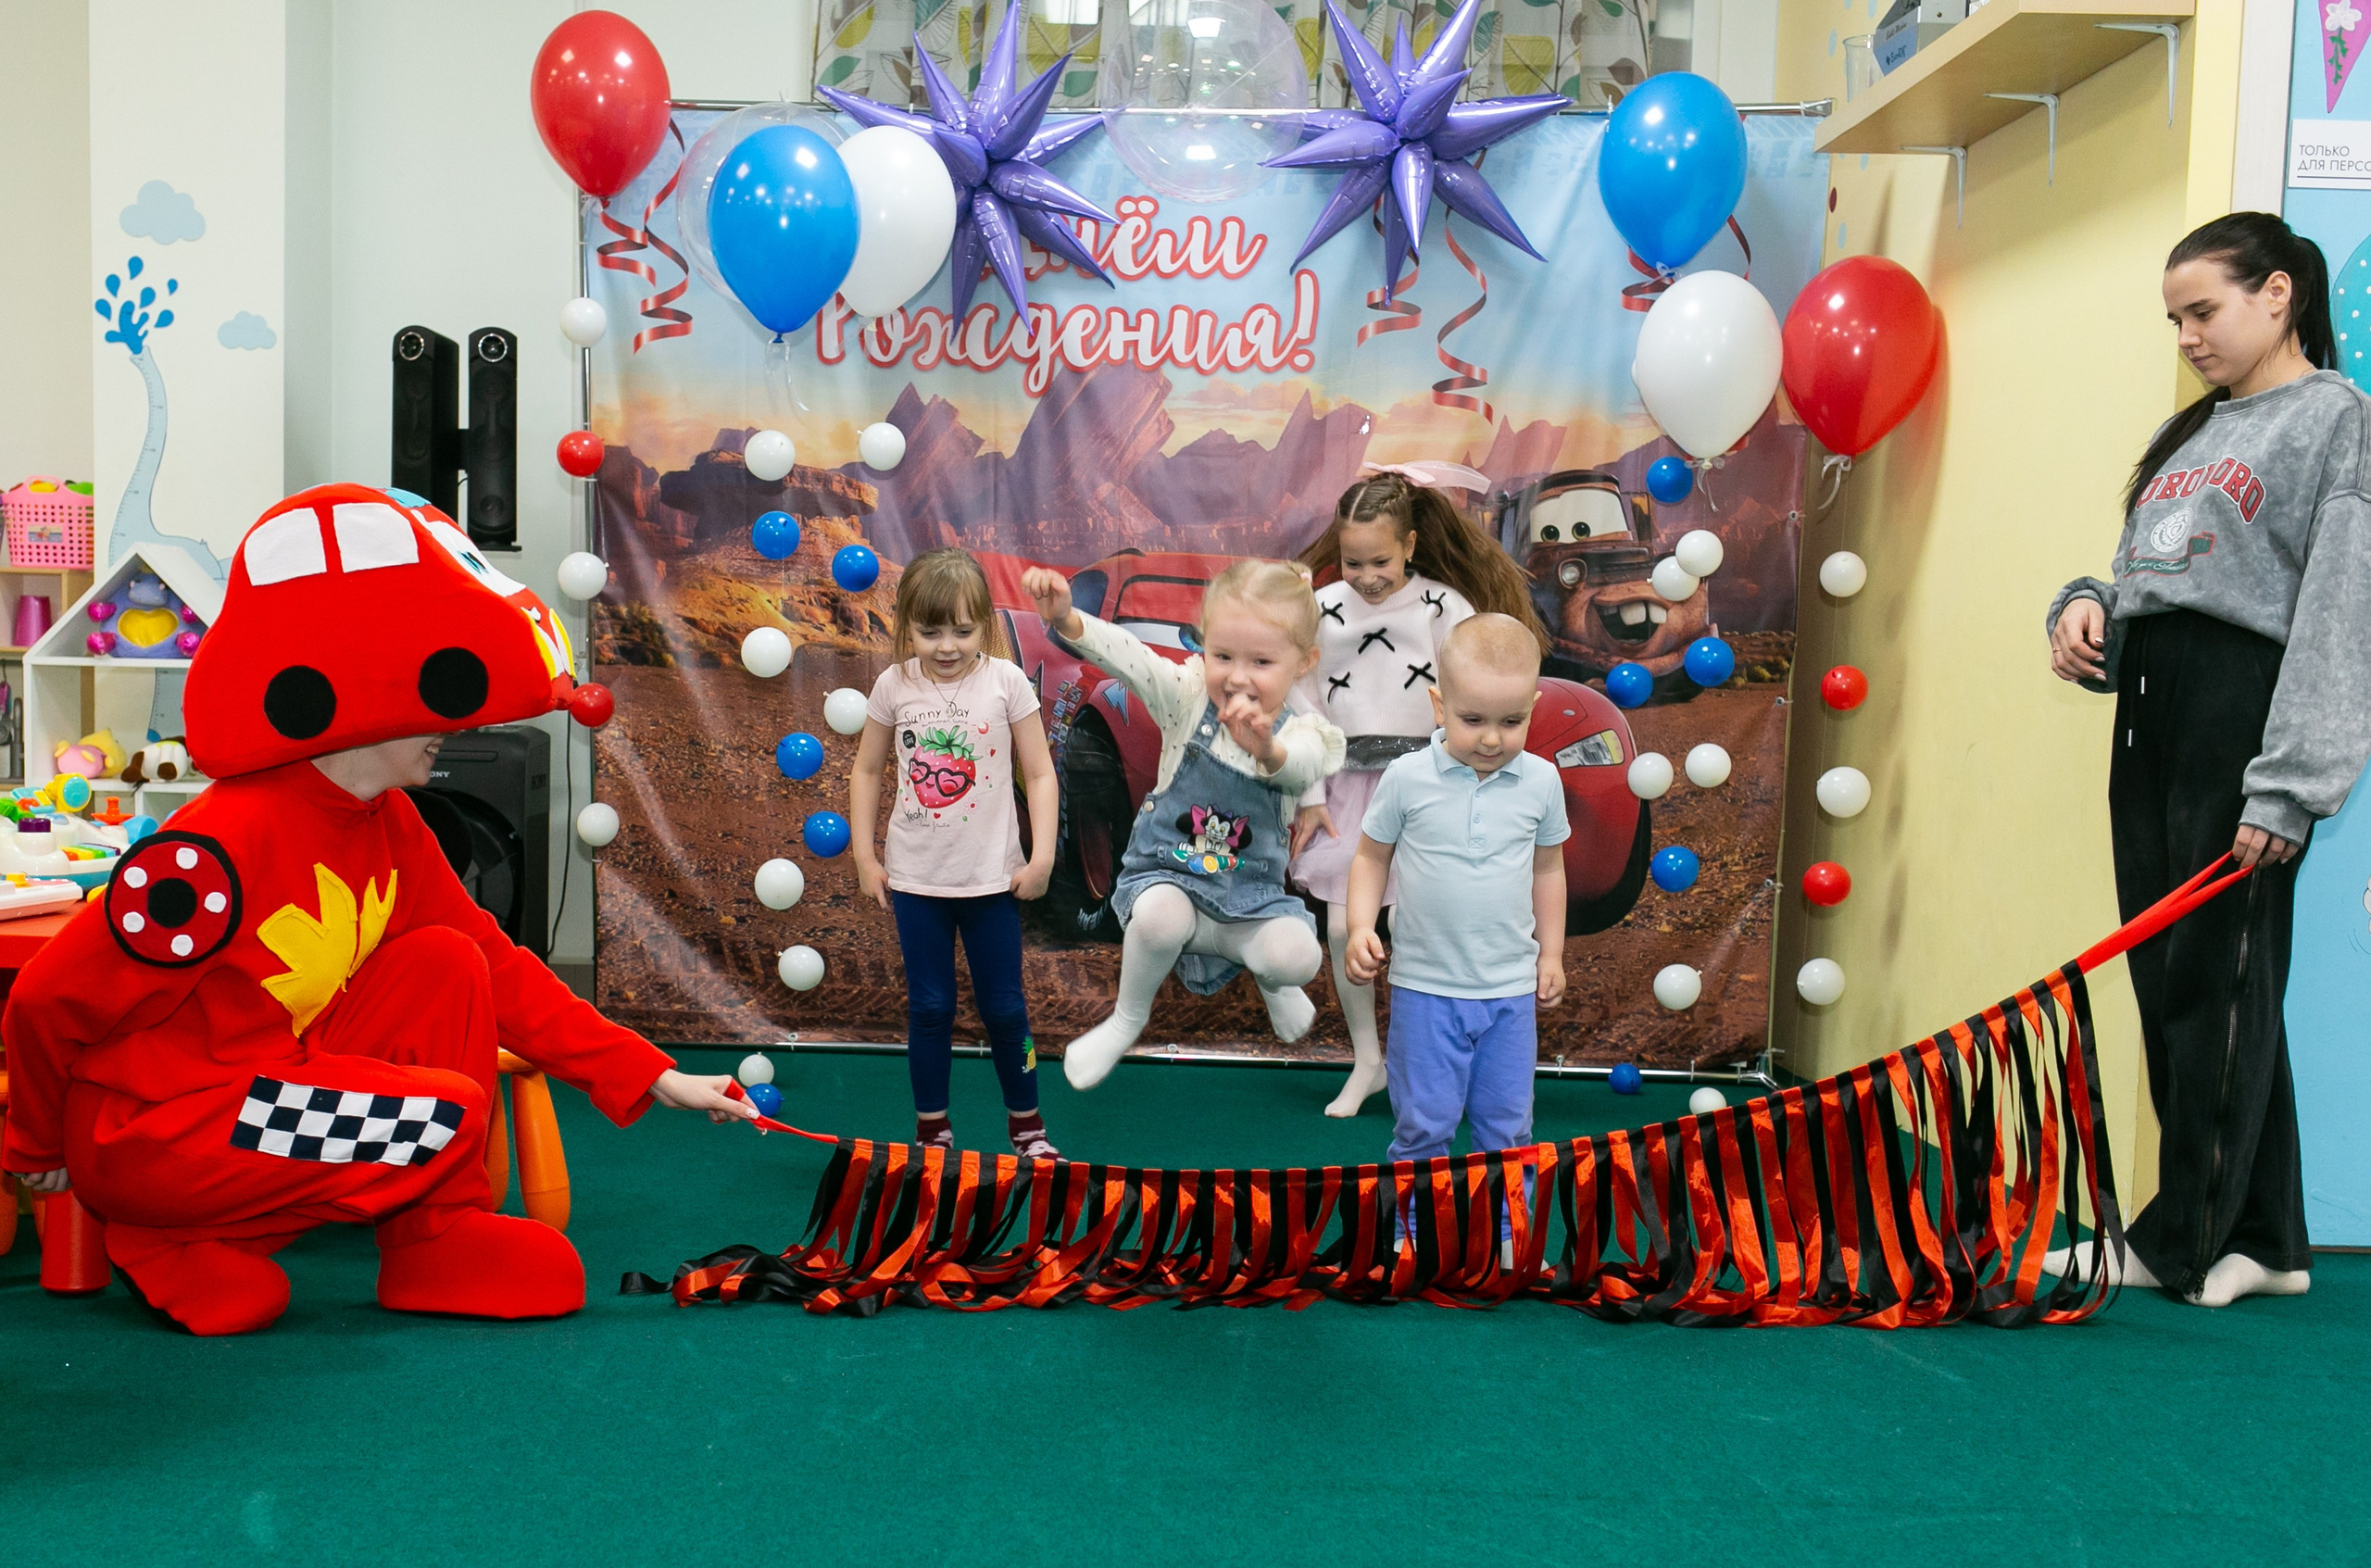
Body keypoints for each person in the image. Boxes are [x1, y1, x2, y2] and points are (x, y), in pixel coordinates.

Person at [0, 483, 754, 1336]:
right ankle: (164, 1225)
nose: (450, 729)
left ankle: (431, 1239)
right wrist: (35, 1148)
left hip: (262, 1081)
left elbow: (500, 967)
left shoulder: (386, 819)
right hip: (155, 1130)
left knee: (448, 962)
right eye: (431, 708)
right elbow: (44, 998)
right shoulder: (211, 848)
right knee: (443, 1112)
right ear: (368, 696)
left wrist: (657, 1074)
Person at [2044, 212, 2371, 1306]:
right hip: (2150, 714)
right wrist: (2086, 608)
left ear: (2277, 294)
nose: (2186, 333)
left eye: (2204, 310)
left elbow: (2340, 613)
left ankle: (2177, 1237)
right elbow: (2152, 572)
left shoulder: (2335, 422)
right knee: (2183, 975)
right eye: (2174, 317)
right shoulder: (2195, 433)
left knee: (2213, 980)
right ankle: (2270, 1239)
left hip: (2241, 719)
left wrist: (2290, 781)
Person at [1022, 559, 1346, 1089]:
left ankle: (1269, 979)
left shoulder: (1307, 730)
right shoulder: (1187, 695)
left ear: (1303, 661)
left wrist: (1268, 748)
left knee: (1298, 959)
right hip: (1169, 877)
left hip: (1248, 903)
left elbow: (1304, 765)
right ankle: (1127, 1020)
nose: (1237, 676)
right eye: (1222, 656)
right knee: (1156, 920)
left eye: (1261, 661)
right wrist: (1067, 618)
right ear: (1203, 646)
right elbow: (1131, 658)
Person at [1290, 465, 1549, 1118]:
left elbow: (1470, 686)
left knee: (1417, 919)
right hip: (1348, 783)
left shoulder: (1441, 606)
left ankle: (1426, 1062)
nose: (1368, 574)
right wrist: (1311, 792)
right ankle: (1367, 1057)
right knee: (1345, 920)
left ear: (1409, 545)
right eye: (1352, 561)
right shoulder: (1321, 611)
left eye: (1381, 558)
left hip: (1430, 780)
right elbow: (1303, 700)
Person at [1344, 614, 1567, 1220]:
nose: (1492, 738)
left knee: (1507, 1128)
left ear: (1533, 705)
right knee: (1424, 1124)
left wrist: (1551, 953)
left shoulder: (1542, 782)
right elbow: (1370, 856)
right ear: (1439, 704)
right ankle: (1408, 1232)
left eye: (1511, 720)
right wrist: (1361, 926)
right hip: (1425, 988)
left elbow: (1549, 870)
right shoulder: (1407, 777)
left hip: (1509, 993)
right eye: (1473, 719)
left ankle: (1507, 1237)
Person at [847, 548, 1061, 1159]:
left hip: (993, 882)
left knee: (1006, 1011)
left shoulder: (1006, 681)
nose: (946, 645)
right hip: (917, 882)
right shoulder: (895, 684)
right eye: (930, 630)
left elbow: (1040, 775)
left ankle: (1029, 1129)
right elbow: (865, 769)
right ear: (906, 626)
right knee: (931, 1007)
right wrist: (865, 856)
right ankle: (932, 1134)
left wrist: (1040, 856)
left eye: (963, 630)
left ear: (985, 626)